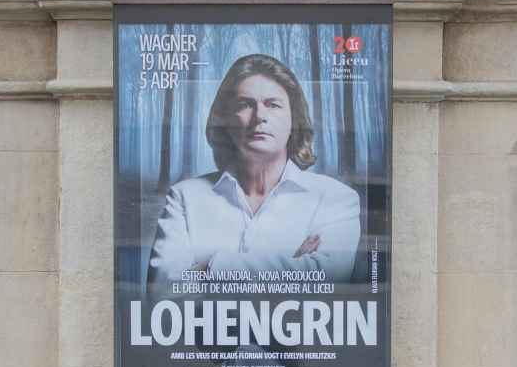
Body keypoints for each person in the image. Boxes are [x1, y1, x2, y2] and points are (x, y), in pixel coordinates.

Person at [148, 54, 363, 285]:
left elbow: (329, 277)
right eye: (244, 104)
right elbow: (162, 291)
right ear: (225, 119)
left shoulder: (336, 198)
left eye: (273, 104)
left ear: (295, 120)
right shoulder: (183, 197)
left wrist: (210, 267)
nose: (260, 116)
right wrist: (294, 268)